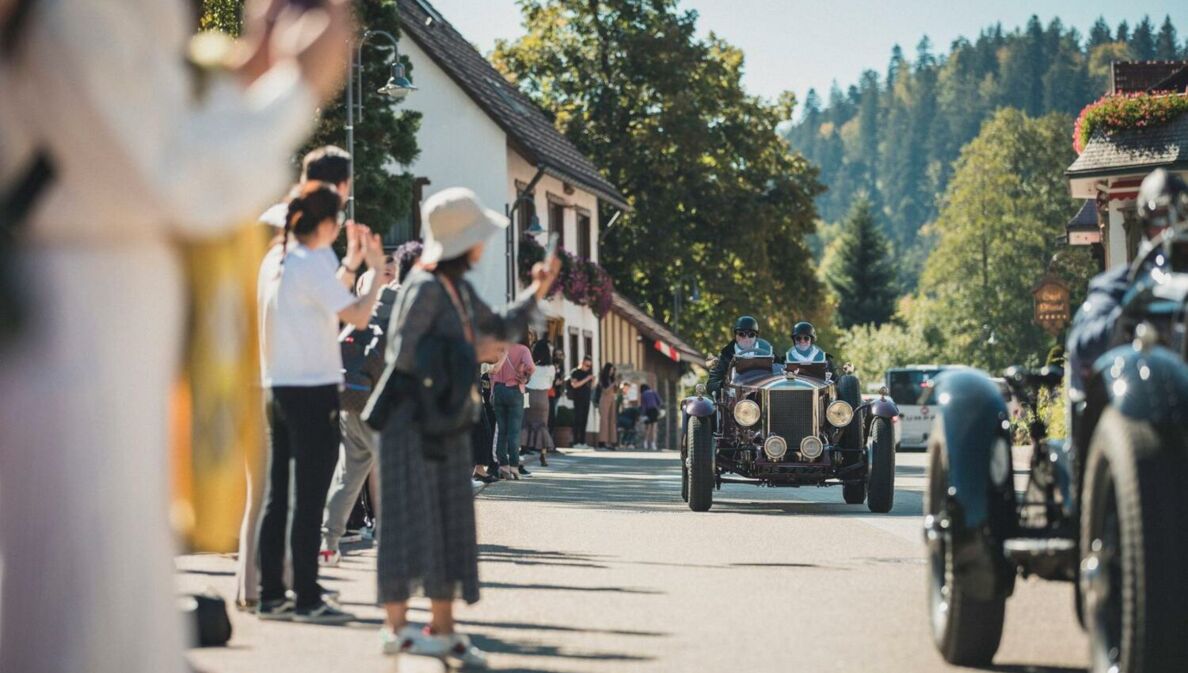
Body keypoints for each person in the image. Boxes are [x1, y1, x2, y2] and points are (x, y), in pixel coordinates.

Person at [0, 0, 350, 670]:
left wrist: (248, 73)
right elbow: (168, 173)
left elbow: (127, 105)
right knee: (87, 605)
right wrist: (299, 86)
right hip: (77, 322)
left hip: (87, 306)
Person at [374, 187, 560, 665]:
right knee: (406, 524)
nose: (483, 246)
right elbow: (407, 355)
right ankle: (397, 630)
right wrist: (468, 350)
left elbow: (496, 324)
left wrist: (536, 292)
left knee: (451, 524)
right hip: (411, 422)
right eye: (478, 236)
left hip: (445, 420)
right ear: (463, 242)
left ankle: (445, 626)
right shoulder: (424, 286)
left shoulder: (456, 288)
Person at [255, 183, 385, 624]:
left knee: (279, 496)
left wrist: (350, 263)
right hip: (313, 391)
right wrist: (377, 271)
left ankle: (272, 592)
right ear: (327, 223)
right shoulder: (312, 261)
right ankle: (308, 596)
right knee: (309, 499)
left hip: (277, 386)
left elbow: (321, 303)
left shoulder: (277, 259)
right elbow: (357, 315)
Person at [1067, 168, 1186, 396]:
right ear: (1143, 224)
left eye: (1181, 217)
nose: (1170, 229)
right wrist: (1127, 317)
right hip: (1138, 407)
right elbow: (1082, 347)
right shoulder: (1119, 284)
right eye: (1160, 217)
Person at [318, 255, 400, 568]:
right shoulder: (399, 309)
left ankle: (328, 544)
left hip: (349, 401)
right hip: (381, 406)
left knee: (348, 475)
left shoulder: (359, 312)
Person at [491, 338, 534, 478]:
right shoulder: (522, 349)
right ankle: (514, 466)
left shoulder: (497, 346)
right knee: (514, 432)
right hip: (515, 390)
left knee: (502, 430)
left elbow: (492, 370)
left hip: (498, 390)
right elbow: (531, 367)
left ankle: (503, 465)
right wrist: (525, 377)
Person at [706, 316, 775, 394]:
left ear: (756, 336)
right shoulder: (726, 355)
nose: (746, 338)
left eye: (751, 334)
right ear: (735, 335)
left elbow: (780, 371)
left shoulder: (768, 353)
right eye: (741, 334)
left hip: (762, 395)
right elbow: (711, 384)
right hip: (736, 399)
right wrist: (724, 385)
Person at [523, 340, 557, 466]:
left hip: (529, 394)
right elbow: (550, 384)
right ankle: (543, 454)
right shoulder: (551, 368)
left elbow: (526, 379)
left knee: (526, 423)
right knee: (542, 425)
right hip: (543, 397)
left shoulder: (531, 366)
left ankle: (524, 449)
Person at [568, 355, 596, 447]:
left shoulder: (587, 373)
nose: (588, 368)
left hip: (586, 398)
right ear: (582, 363)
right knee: (578, 420)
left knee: (584, 420)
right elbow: (574, 385)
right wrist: (586, 379)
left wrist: (592, 381)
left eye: (589, 366)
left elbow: (591, 387)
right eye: (586, 365)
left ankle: (583, 442)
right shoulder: (575, 372)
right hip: (578, 399)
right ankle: (576, 442)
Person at [596, 363, 619, 448]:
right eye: (611, 370)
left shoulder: (612, 378)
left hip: (612, 399)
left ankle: (612, 441)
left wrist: (617, 385)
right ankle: (602, 441)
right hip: (604, 399)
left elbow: (615, 391)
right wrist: (613, 384)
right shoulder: (602, 378)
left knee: (612, 420)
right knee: (604, 420)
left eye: (613, 370)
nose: (612, 371)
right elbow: (605, 390)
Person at [640, 383, 665, 450]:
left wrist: (643, 414)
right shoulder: (653, 392)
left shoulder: (643, 394)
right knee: (654, 428)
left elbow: (643, 406)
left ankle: (645, 443)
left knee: (647, 428)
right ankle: (653, 444)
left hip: (647, 411)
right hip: (654, 410)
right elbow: (660, 402)